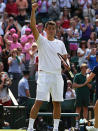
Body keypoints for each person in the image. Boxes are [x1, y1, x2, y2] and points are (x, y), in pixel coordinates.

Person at [27, 3, 68, 131]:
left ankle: (55, 129)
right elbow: (33, 26)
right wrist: (33, 11)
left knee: (57, 103)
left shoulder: (60, 43)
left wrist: (67, 64)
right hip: (44, 74)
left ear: (55, 30)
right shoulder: (41, 40)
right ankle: (30, 128)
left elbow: (65, 58)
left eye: (53, 28)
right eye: (49, 28)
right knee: (38, 101)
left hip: (57, 75)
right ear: (45, 29)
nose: (51, 30)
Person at [79, 52, 98, 130]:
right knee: (96, 108)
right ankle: (96, 126)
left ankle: (96, 127)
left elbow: (88, 79)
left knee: (96, 108)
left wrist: (87, 74)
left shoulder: (96, 68)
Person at [73, 63, 91, 128]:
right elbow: (74, 85)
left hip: (86, 95)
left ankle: (85, 122)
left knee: (85, 108)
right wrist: (82, 85)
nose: (85, 69)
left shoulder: (88, 76)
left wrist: (87, 81)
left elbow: (90, 86)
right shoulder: (77, 76)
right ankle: (77, 123)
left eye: (86, 68)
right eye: (84, 68)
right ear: (81, 68)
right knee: (78, 108)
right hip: (79, 95)